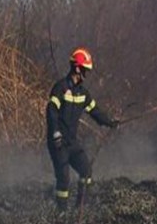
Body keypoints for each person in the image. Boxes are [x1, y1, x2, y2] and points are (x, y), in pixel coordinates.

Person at [47, 47, 119, 210]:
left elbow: (95, 111)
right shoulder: (60, 88)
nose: (86, 74)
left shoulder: (83, 93)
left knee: (86, 171)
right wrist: (55, 132)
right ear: (77, 68)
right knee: (64, 179)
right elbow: (51, 111)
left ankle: (80, 207)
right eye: (85, 70)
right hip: (58, 142)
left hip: (72, 142)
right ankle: (62, 213)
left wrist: (110, 122)